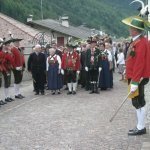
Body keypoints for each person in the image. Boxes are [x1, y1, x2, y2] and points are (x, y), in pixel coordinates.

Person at [122, 16, 150, 135]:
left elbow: (139, 63)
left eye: (131, 27)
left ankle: (141, 127)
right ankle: (139, 125)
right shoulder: (136, 41)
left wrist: (135, 81)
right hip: (134, 76)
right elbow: (132, 59)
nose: (129, 29)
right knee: (136, 101)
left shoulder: (141, 43)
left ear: (135, 29)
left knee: (139, 101)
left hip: (138, 77)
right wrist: (126, 70)